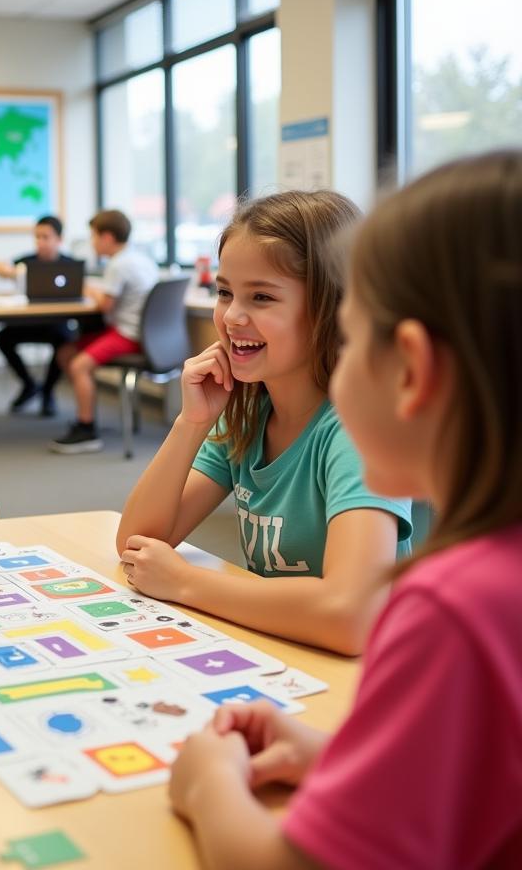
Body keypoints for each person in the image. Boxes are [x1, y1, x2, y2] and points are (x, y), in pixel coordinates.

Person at [168, 151, 522, 870]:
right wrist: (334, 754)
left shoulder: (451, 607)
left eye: (352, 336)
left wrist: (207, 785)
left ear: (412, 371)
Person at [117, 191, 412, 655]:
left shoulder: (358, 428)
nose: (232, 316)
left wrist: (188, 583)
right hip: (295, 651)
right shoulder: (249, 410)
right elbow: (138, 545)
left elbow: (352, 615)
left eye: (262, 297)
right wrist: (191, 422)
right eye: (225, 292)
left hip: (384, 674)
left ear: (330, 310)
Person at [49, 209, 158, 454]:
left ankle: (87, 430)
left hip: (128, 336)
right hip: (144, 333)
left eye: (94, 236)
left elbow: (105, 305)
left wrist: (86, 287)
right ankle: (86, 413)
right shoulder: (140, 258)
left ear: (107, 238)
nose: (92, 242)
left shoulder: (118, 265)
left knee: (78, 365)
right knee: (67, 352)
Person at [0, 214, 76, 416]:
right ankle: (29, 384)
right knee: (2, 337)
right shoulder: (27, 262)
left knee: (66, 341)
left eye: (46, 237)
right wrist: (14, 273)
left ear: (59, 239)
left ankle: (47, 392)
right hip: (27, 324)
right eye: (37, 237)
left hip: (56, 326)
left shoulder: (70, 265)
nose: (41, 242)